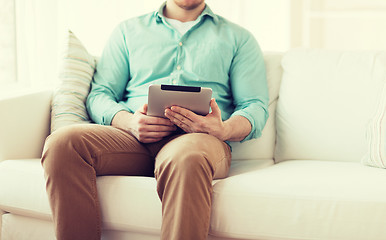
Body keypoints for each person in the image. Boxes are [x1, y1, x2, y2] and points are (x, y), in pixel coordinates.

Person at [41, 0, 269, 239]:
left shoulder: (239, 38)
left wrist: (222, 130)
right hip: (131, 139)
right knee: (62, 143)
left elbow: (254, 106)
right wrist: (128, 122)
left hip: (198, 142)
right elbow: (100, 94)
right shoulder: (127, 31)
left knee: (187, 158)